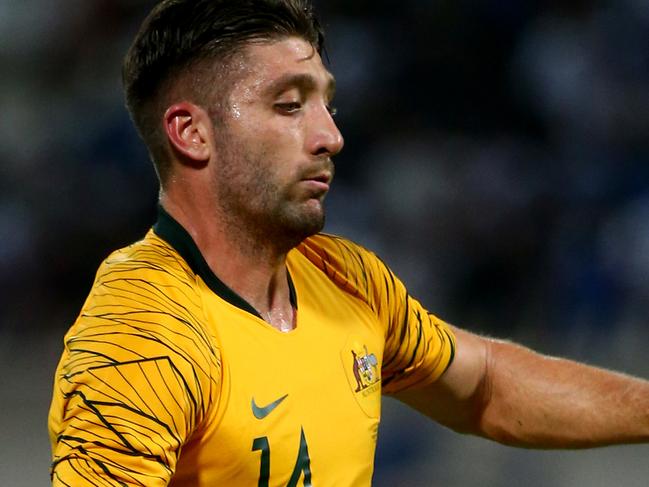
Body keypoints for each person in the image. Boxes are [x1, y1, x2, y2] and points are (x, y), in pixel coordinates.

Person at [47, 0, 649, 485]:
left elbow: (485, 386)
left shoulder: (345, 279)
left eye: (327, 105)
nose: (331, 136)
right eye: (289, 106)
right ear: (191, 133)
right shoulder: (142, 332)